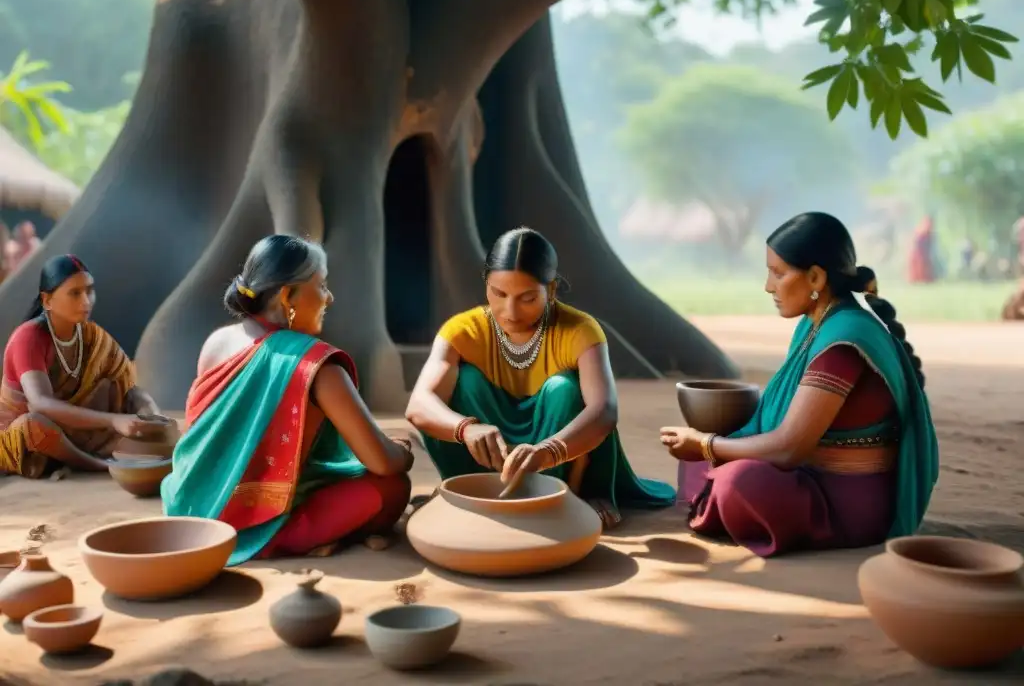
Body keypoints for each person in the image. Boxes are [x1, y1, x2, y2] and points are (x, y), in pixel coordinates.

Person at [661, 212, 939, 557]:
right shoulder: (817, 324)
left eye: (778, 273)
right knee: (711, 464)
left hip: (846, 503)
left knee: (737, 483)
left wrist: (706, 443)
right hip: (810, 476)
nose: (768, 286)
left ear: (815, 277)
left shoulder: (844, 341)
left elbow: (788, 448)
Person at [161, 235, 414, 566]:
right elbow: (381, 462)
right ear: (286, 296)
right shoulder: (315, 365)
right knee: (393, 487)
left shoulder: (216, 342)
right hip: (251, 524)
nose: (330, 298)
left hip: (193, 506)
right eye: (321, 285)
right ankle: (279, 541)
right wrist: (403, 451)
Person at [405, 226, 675, 529]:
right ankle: (467, 487)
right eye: (499, 293)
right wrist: (464, 429)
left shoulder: (580, 330)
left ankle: (575, 492)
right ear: (486, 285)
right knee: (464, 382)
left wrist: (548, 452)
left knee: (564, 389)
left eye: (527, 298)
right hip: (488, 445)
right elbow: (418, 405)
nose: (510, 311)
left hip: (559, 445)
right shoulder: (461, 330)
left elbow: (604, 411)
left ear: (552, 290)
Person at [0, 254, 164, 478]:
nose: (86, 301)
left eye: (89, 290)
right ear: (47, 301)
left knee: (113, 389)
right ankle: (96, 464)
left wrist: (150, 414)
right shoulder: (28, 338)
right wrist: (114, 420)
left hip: (68, 431)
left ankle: (95, 454)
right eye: (75, 293)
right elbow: (40, 404)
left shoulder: (91, 335)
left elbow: (129, 388)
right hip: (24, 440)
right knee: (34, 424)